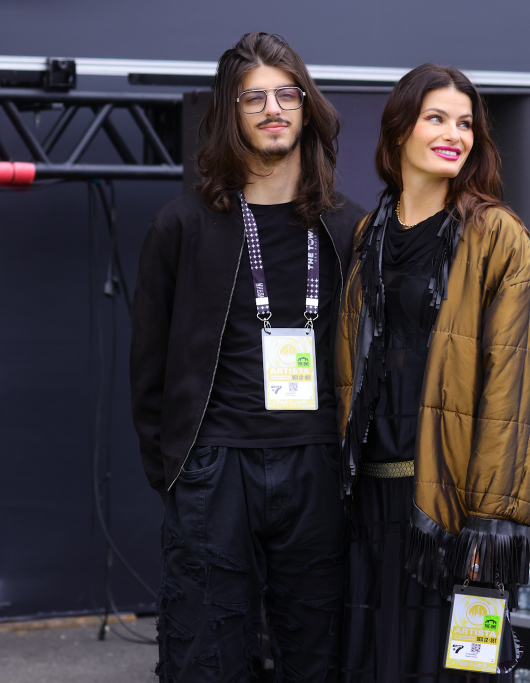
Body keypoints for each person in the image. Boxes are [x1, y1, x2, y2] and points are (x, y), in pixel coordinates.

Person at [130, 32, 366, 682]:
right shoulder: (180, 226)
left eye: (286, 93)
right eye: (252, 96)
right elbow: (147, 370)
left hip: (319, 466)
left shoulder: (351, 228)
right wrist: (179, 473)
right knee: (204, 656)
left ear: (307, 106)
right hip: (215, 469)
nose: (272, 108)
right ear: (229, 113)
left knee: (319, 655)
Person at [336, 63, 530, 681]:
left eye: (465, 123)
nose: (455, 133)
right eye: (436, 118)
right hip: (371, 506)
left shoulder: (500, 238)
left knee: (461, 668)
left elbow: (517, 389)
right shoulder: (365, 237)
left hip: (452, 519)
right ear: (399, 129)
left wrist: (487, 527)